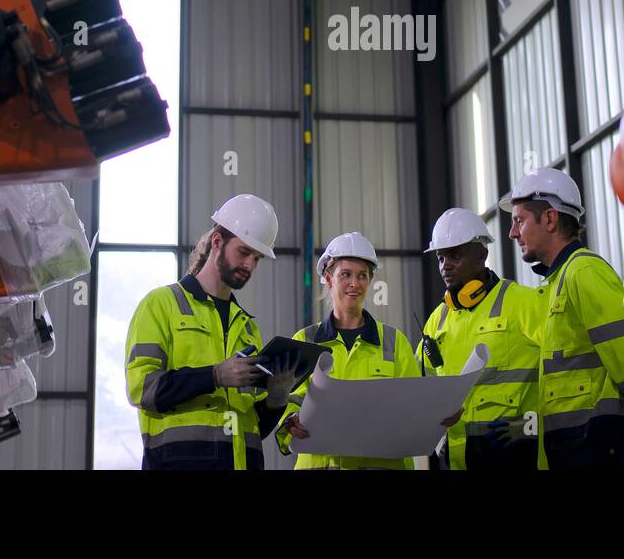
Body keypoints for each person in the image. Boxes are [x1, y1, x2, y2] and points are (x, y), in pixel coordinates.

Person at [504, 169, 624, 470]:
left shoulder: (583, 271)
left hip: (601, 453)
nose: (513, 233)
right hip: (577, 453)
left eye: (519, 220)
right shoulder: (557, 283)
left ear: (550, 219)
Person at [124, 194, 296, 470]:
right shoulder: (160, 305)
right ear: (217, 241)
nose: (250, 265)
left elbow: (252, 430)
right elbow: (142, 389)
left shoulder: (248, 328)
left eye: (257, 257)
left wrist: (276, 401)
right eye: (244, 252)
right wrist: (214, 376)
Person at [275, 231, 455, 469]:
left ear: (370, 281)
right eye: (345, 275)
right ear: (329, 279)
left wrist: (438, 416)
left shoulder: (394, 342)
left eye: (362, 276)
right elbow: (287, 403)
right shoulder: (304, 341)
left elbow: (413, 408)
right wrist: (290, 422)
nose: (354, 284)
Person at [419, 207, 544, 469]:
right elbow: (418, 387)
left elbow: (565, 369)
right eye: (441, 258)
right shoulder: (437, 320)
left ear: (482, 255)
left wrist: (535, 424)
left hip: (515, 456)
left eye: (455, 255)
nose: (446, 266)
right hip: (456, 460)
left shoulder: (523, 302)